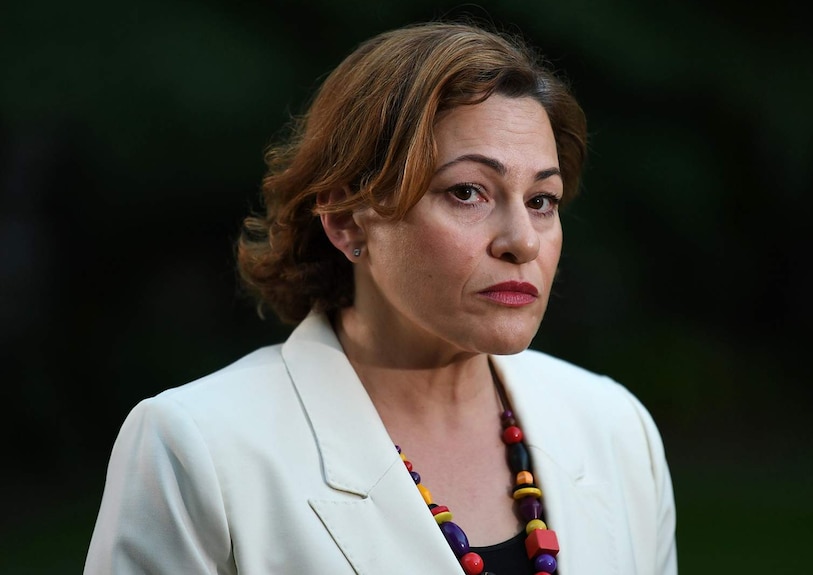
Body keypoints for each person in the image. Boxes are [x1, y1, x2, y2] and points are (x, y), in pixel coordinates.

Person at [84, 21, 676, 575]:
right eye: (468, 191)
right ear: (346, 220)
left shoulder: (616, 428)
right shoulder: (197, 448)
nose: (522, 240)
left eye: (542, 199)